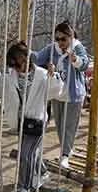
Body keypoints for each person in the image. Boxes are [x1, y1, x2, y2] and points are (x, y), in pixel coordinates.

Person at [0, 42, 64, 192]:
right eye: (13, 66)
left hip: (37, 121)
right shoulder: (11, 75)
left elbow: (56, 92)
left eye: (18, 64)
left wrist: (53, 76)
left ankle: (25, 190)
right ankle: (42, 172)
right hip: (21, 122)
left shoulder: (42, 74)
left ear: (26, 59)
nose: (17, 69)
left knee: (26, 155)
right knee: (30, 153)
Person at [34, 21, 89, 169]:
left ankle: (65, 154)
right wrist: (24, 52)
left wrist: (75, 60)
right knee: (59, 126)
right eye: (57, 39)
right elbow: (38, 58)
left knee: (69, 126)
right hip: (57, 93)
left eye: (63, 39)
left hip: (73, 95)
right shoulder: (53, 49)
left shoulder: (77, 48)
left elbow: (85, 63)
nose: (60, 42)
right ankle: (67, 150)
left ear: (71, 37)